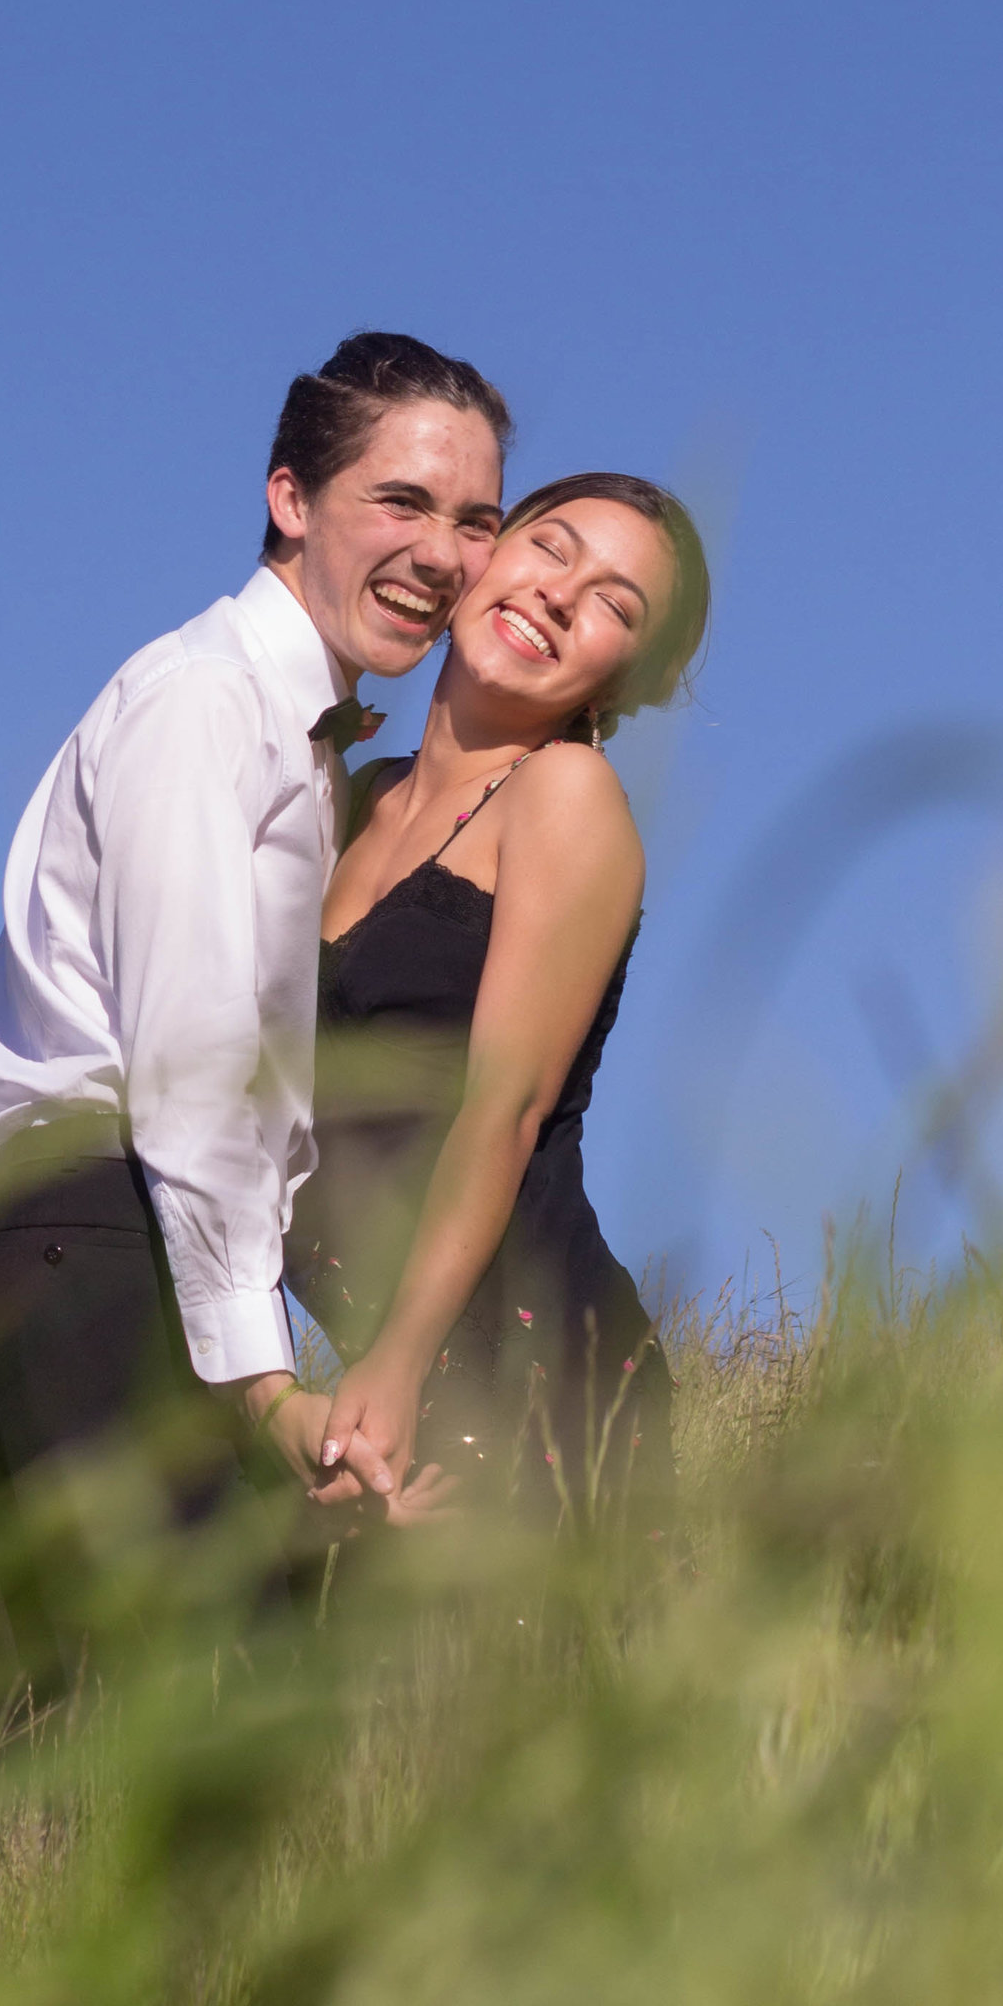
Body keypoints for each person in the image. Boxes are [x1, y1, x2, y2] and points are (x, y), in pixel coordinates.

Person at [0, 330, 511, 1764]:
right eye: (403, 503)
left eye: (477, 517)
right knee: (220, 1730)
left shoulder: (291, 737)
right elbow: (192, 1063)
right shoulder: (204, 705)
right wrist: (259, 1382)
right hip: (86, 1238)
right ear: (291, 497)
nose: (446, 552)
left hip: (33, 1241)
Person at [287, 473, 711, 1530]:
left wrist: (395, 1365)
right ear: (481, 554)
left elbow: (503, 1109)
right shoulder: (339, 798)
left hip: (532, 1381)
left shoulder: (564, 794)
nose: (564, 596)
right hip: (374, 1383)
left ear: (629, 674)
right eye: (550, 547)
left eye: (618, 606)